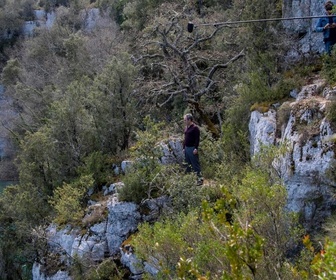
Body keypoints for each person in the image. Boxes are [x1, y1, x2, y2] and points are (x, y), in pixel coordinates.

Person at [183, 113, 203, 185]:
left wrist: (196, 148)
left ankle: (200, 179)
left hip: (192, 148)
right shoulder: (186, 127)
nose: (184, 121)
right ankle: (189, 180)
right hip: (186, 148)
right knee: (187, 164)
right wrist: (183, 148)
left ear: (189, 120)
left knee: (195, 164)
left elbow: (197, 139)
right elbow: (185, 138)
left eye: (185, 120)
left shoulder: (195, 128)